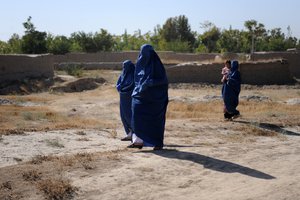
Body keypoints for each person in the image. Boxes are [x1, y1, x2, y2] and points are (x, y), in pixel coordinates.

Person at [129, 44, 169, 150]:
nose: (143, 56)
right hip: (141, 96)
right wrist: (139, 88)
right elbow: (137, 80)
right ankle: (138, 141)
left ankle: (157, 143)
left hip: (156, 100)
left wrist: (151, 83)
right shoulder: (140, 65)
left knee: (156, 122)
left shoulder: (158, 66)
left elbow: (163, 81)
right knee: (137, 116)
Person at [116, 60, 135, 141]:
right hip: (123, 98)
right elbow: (118, 84)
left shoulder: (134, 75)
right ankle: (129, 133)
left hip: (130, 98)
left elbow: (132, 84)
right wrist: (120, 88)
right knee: (123, 115)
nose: (124, 68)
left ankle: (135, 134)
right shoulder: (123, 74)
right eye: (123, 66)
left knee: (130, 115)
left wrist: (124, 88)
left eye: (125, 66)